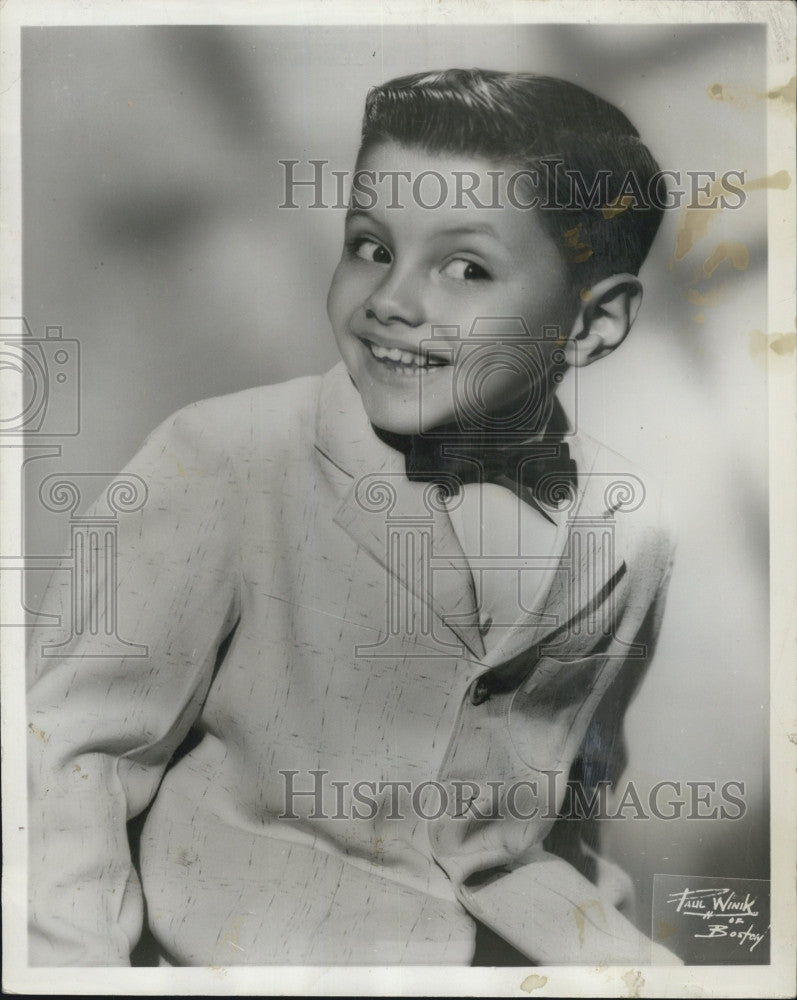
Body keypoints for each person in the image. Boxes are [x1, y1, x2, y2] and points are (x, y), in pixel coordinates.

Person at [28, 69, 679, 966]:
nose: (390, 300)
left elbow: (570, 799)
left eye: (464, 267)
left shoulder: (630, 532)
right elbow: (64, 757)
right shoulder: (226, 455)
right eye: (370, 246)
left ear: (592, 325)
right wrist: (76, 975)